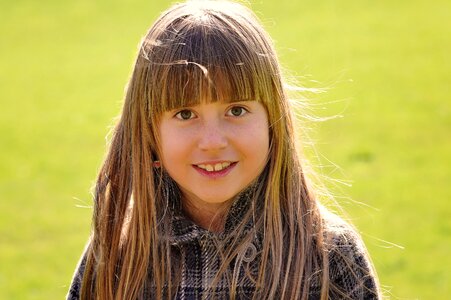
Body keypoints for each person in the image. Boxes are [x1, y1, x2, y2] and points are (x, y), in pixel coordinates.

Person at [67, 0, 380, 299]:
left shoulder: (329, 256)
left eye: (237, 110)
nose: (213, 141)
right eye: (185, 114)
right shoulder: (118, 255)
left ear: (274, 120)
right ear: (148, 132)